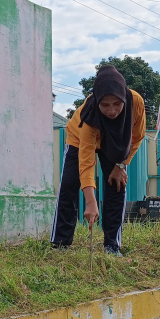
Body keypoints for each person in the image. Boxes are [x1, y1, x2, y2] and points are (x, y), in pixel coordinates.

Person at [50, 65, 146, 256]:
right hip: (79, 139)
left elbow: (137, 137)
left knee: (117, 185)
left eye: (117, 104)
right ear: (97, 102)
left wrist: (121, 165)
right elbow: (86, 164)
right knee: (69, 185)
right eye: (105, 105)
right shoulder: (90, 114)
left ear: (124, 98)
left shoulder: (135, 101)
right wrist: (91, 202)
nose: (111, 111)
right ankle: (60, 244)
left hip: (115, 144)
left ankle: (112, 244)